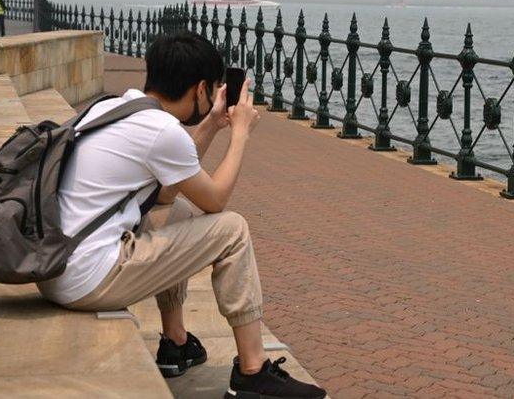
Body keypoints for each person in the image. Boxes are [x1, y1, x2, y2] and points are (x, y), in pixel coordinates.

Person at [37, 33, 326, 398]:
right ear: (201, 88)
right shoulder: (162, 131)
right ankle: (254, 371)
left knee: (175, 210)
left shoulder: (116, 106)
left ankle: (175, 341)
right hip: (87, 279)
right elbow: (216, 201)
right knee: (232, 230)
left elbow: (166, 191)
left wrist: (211, 125)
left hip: (56, 267)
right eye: (215, 89)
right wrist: (239, 135)